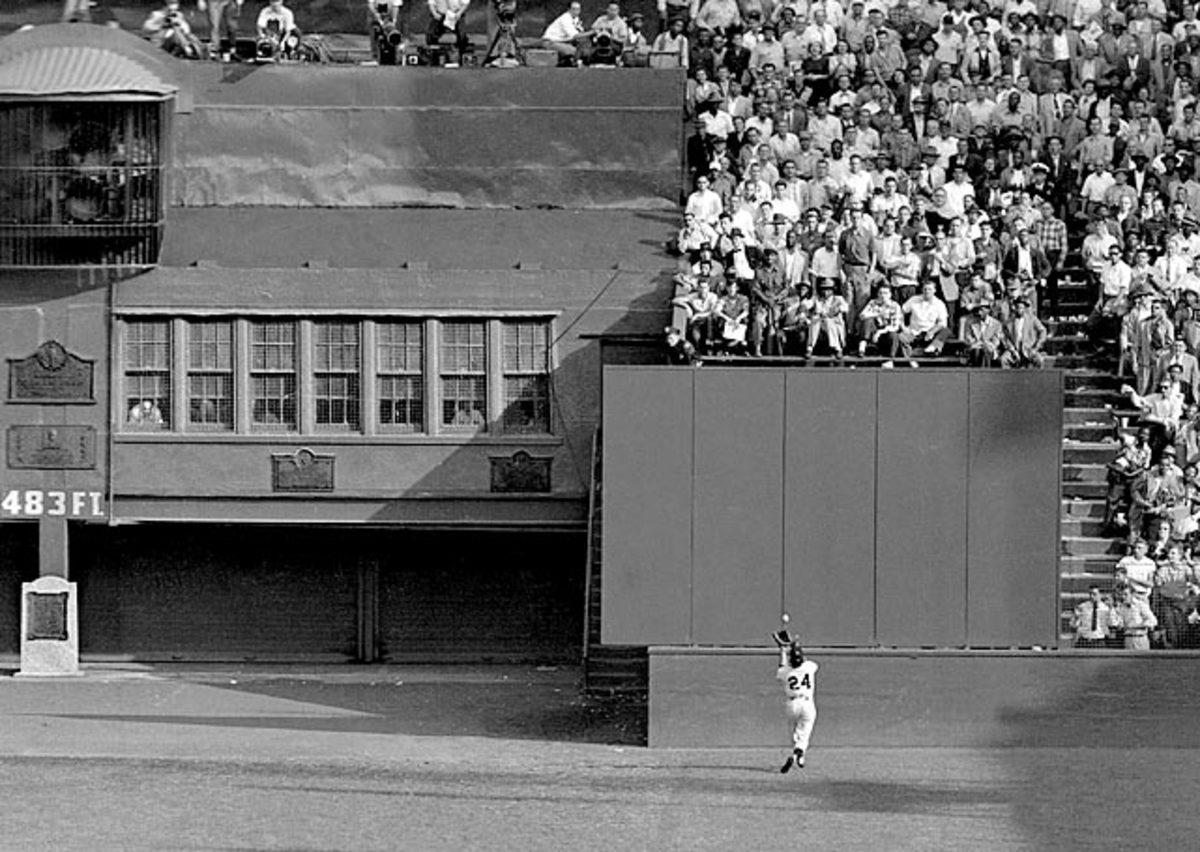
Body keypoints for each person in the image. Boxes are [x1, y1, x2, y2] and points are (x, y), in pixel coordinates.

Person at [773, 634, 818, 773]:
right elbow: (803, 659)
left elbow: (782, 666)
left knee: (796, 733)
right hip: (806, 703)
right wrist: (794, 644)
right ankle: (798, 753)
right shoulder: (809, 667)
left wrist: (783, 649)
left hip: (792, 705)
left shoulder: (786, 671)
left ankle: (798, 754)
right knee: (805, 730)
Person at [427, 0, 472, 66]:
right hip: (440, 15)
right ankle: (434, 56)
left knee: (462, 34)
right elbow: (431, 3)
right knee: (430, 34)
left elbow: (465, 3)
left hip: (455, 15)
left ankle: (460, 55)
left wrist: (459, 13)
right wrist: (435, 14)